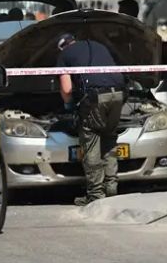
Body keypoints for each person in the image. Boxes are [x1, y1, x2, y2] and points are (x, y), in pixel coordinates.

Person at [56, 33, 125, 206]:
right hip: (118, 95)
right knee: (109, 139)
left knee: (91, 141)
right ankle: (111, 189)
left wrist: (69, 105)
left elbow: (66, 88)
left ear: (61, 46)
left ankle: (95, 194)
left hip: (95, 98)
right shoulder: (98, 45)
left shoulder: (64, 55)